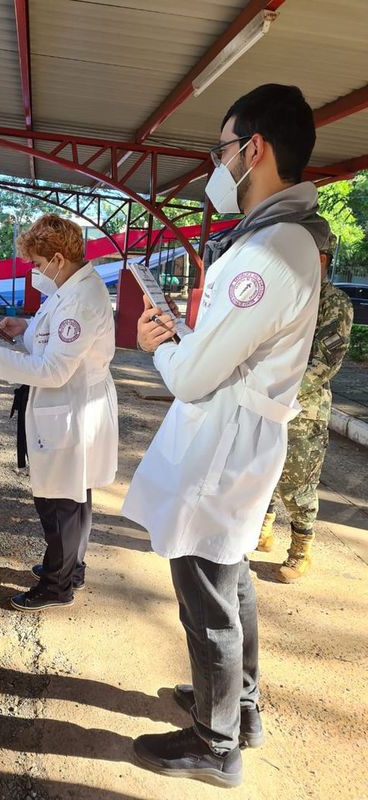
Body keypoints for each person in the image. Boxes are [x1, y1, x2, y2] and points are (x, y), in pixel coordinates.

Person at [121, 84, 329, 788]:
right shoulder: (283, 241)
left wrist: (161, 345)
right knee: (230, 573)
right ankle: (238, 707)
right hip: (239, 437)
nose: (218, 165)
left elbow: (192, 377)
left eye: (222, 150)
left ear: (254, 150)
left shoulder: (272, 251)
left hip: (224, 444)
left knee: (206, 589)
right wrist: (188, 336)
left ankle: (215, 745)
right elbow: (222, 349)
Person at [0, 214, 118, 611]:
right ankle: (70, 567)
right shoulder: (73, 287)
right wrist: (25, 326)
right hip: (71, 404)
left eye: (36, 264)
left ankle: (57, 584)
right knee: (74, 492)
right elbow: (54, 330)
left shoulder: (81, 300)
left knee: (59, 500)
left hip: (69, 406)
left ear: (56, 257)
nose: (34, 271)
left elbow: (55, 368)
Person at [257, 235, 353, 581]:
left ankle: (301, 550)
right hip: (269, 399)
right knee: (264, 469)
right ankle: (261, 532)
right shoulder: (291, 297)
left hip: (304, 408)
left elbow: (327, 359)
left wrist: (283, 393)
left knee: (297, 481)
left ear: (322, 260)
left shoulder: (334, 302)